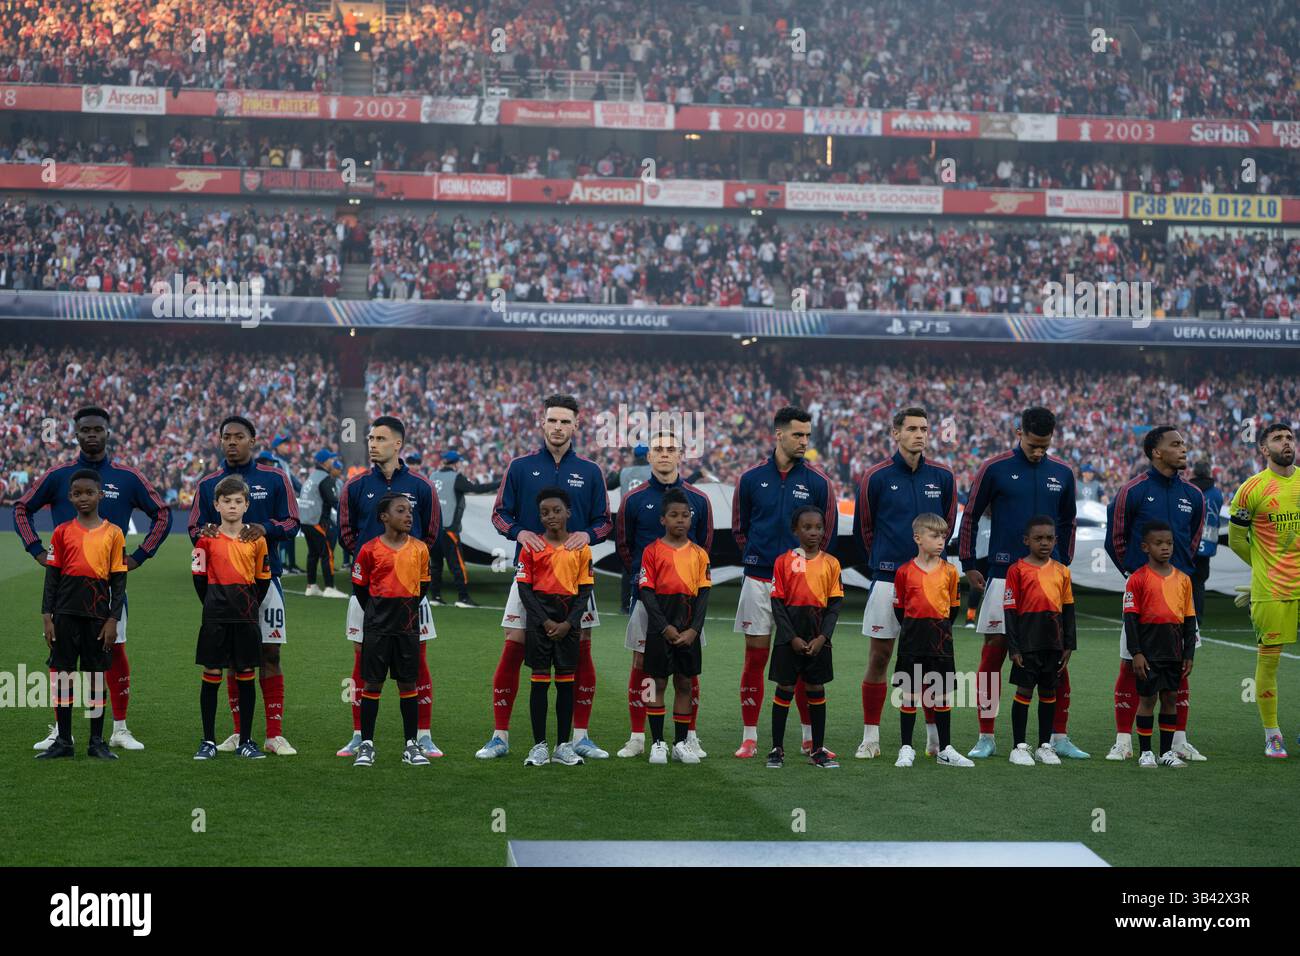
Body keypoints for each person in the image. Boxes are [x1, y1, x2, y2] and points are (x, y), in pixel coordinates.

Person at [15, 406, 169, 752]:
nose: (91, 435)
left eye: (98, 429)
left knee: (112, 652)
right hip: (65, 590)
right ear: (75, 434)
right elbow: (21, 507)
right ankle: (60, 730)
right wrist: (36, 550)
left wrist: (140, 556)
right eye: (85, 429)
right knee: (61, 656)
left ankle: (120, 729)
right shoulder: (58, 476)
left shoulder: (127, 477)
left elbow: (162, 514)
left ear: (108, 433)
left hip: (107, 589)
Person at [477, 395, 612, 761]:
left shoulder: (590, 470)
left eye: (565, 422)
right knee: (515, 645)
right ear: (542, 422)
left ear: (575, 426)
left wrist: (591, 535)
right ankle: (500, 735)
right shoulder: (520, 467)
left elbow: (605, 521)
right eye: (552, 420)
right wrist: (519, 533)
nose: (558, 427)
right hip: (529, 575)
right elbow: (500, 515)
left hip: (573, 578)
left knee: (579, 649)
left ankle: (578, 737)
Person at [958, 407, 1084, 760]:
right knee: (995, 652)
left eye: (1045, 446)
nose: (1039, 452)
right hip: (1002, 573)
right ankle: (986, 736)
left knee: (1055, 655)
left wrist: (1063, 560)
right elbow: (970, 515)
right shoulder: (994, 469)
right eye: (1032, 445)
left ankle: (1058, 736)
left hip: (1048, 578)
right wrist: (968, 563)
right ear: (1018, 432)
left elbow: (1068, 521)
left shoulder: (1062, 473)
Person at [189, 416, 301, 756]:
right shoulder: (209, 484)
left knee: (269, 653)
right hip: (224, 589)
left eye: (239, 436)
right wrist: (208, 533)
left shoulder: (275, 477)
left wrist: (264, 528)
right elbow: (195, 529)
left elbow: (293, 522)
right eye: (226, 437)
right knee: (233, 658)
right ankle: (240, 734)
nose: (232, 442)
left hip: (266, 581)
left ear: (253, 440)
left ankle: (274, 734)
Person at [733, 406, 837, 759]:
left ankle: (810, 738)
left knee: (807, 660)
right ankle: (750, 737)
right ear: (778, 434)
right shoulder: (750, 479)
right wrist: (762, 558)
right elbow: (740, 528)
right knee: (755, 658)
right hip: (760, 578)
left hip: (804, 586)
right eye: (797, 435)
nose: (804, 441)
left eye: (807, 435)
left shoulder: (819, 482)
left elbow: (828, 532)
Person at [337, 417, 442, 758]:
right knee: (362, 660)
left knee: (417, 659)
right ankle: (359, 735)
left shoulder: (422, 486)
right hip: (368, 589)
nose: (372, 443)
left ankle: (421, 736)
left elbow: (430, 533)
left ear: (398, 444)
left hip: (409, 593)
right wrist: (371, 568)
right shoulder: (354, 487)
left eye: (380, 438)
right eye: (370, 437)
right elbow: (347, 534)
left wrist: (405, 567)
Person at [853, 407, 955, 760]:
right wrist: (890, 565)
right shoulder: (876, 476)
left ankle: (933, 740)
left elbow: (946, 526)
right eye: (911, 428)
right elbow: (864, 530)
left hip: (929, 582)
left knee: (930, 659)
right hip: (887, 579)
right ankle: (871, 736)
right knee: (880, 656)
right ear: (895, 433)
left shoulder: (942, 476)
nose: (920, 435)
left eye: (924, 429)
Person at [1104, 426, 1206, 762]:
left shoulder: (1194, 496)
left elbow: (1191, 543)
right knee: (1129, 663)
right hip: (1143, 592)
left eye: (1184, 443)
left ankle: (1178, 741)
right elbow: (1115, 539)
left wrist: (1179, 578)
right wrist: (1136, 575)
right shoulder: (1132, 490)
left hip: (1179, 595)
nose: (1183, 449)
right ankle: (1123, 740)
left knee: (1179, 667)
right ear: (1156, 452)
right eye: (1175, 444)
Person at [614, 430, 713, 759]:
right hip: (648, 598)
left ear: (681, 455)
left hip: (687, 599)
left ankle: (689, 737)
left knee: (688, 667)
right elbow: (625, 548)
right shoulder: (634, 499)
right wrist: (646, 584)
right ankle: (639, 736)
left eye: (672, 449)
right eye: (659, 449)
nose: (665, 454)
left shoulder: (698, 500)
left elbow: (704, 546)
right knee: (642, 665)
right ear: (650, 455)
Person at [1228, 422, 1300, 758]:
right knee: (1269, 663)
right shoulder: (1250, 489)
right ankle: (1273, 734)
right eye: (1277, 438)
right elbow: (1237, 539)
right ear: (1262, 448)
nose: (1286, 443)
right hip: (1272, 590)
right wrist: (1263, 568)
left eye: (1289, 437)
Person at [191, 476, 272, 760]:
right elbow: (199, 580)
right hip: (215, 617)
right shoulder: (206, 539)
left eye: (238, 501)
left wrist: (247, 606)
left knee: (246, 675)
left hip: (246, 618)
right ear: (216, 504)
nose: (233, 507)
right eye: (227, 502)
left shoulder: (257, 540)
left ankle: (246, 741)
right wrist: (215, 603)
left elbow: (263, 581)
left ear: (247, 505)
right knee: (212, 673)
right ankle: (208, 741)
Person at [350, 493, 433, 767]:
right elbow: (360, 589)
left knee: (408, 683)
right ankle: (367, 744)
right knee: (372, 683)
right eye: (401, 510)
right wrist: (379, 612)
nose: (408, 515)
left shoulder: (420, 549)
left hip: (407, 628)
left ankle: (411, 745)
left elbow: (423, 588)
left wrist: (403, 611)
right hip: (377, 628)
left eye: (410, 511)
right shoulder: (369, 550)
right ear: (384, 517)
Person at [516, 487, 594, 767]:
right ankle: (539, 746)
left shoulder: (581, 549)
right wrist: (546, 621)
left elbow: (584, 592)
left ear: (568, 513)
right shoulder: (532, 547)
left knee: (565, 684)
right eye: (545, 512)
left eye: (556, 511)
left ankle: (563, 745)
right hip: (541, 623)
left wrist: (569, 623)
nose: (551, 516)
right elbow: (525, 590)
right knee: (539, 682)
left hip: (567, 623)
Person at [637, 487, 712, 765]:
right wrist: (664, 627)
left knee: (684, 683)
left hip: (688, 629)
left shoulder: (700, 554)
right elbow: (646, 592)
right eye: (674, 515)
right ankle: (657, 743)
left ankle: (680, 743)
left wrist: (693, 630)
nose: (680, 520)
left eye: (685, 515)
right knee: (656, 682)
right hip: (661, 628)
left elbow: (704, 596)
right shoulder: (652, 551)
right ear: (663, 520)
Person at [890, 513, 971, 768]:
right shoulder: (904, 572)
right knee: (910, 695)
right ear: (917, 538)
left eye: (943, 536)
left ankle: (945, 749)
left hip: (941, 641)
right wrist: (916, 628)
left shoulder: (950, 571)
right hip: (912, 640)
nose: (941, 541)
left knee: (941, 696)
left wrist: (939, 628)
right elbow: (899, 610)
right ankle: (906, 748)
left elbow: (954, 608)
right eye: (934, 536)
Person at [765, 506, 842, 769]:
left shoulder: (831, 563)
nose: (813, 532)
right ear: (795, 530)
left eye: (818, 527)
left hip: (818, 640)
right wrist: (792, 637)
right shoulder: (783, 561)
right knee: (785, 689)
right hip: (789, 640)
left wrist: (822, 637)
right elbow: (777, 604)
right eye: (807, 527)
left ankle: (817, 750)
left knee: (816, 689)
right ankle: (776, 748)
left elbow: (834, 607)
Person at [1002, 515, 1077, 767]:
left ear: (1056, 540)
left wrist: (1069, 644)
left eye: (1049, 538)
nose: (1044, 543)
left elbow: (1068, 610)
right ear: (1026, 541)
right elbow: (1010, 611)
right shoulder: (1017, 570)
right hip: (1027, 643)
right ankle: (1019, 746)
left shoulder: (1062, 571)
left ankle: (1045, 745)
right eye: (1038, 538)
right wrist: (1014, 647)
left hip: (1053, 644)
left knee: (1048, 692)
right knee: (1024, 691)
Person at [1123, 521, 1197, 768]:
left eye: (1169, 543)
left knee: (1170, 697)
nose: (1165, 548)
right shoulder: (1138, 579)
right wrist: (1137, 653)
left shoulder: (1184, 580)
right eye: (1159, 544)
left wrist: (1188, 654)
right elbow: (1130, 619)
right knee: (1147, 699)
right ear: (1145, 547)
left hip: (1173, 651)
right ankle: (1146, 752)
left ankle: (1166, 752)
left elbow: (1189, 619)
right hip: (1148, 651)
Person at [428, 450, 496, 607]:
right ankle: (463, 598)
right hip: (449, 529)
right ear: (456, 463)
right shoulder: (456, 477)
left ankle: (435, 596)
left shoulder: (433, 476)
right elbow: (477, 489)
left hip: (434, 529)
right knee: (457, 565)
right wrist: (500, 483)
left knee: (436, 565)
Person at [610, 443, 652, 614]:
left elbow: (609, 484)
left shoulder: (625, 471)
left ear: (634, 455)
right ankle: (650, 600)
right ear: (648, 455)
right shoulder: (654, 470)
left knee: (628, 564)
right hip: (648, 519)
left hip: (626, 520)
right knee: (652, 561)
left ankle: (625, 605)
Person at [300, 449, 345, 598]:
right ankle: (330, 587)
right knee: (327, 554)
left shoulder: (312, 476)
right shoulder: (326, 479)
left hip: (305, 520)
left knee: (313, 553)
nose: (333, 461)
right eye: (331, 459)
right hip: (316, 521)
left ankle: (311, 585)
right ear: (325, 462)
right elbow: (334, 502)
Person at [1189, 459, 1222, 619]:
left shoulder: (1188, 490)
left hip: (1188, 545)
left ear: (1194, 472)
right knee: (1199, 584)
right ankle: (1197, 618)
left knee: (1183, 581)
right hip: (1207, 545)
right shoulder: (1216, 493)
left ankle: (1182, 616)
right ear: (1209, 473)